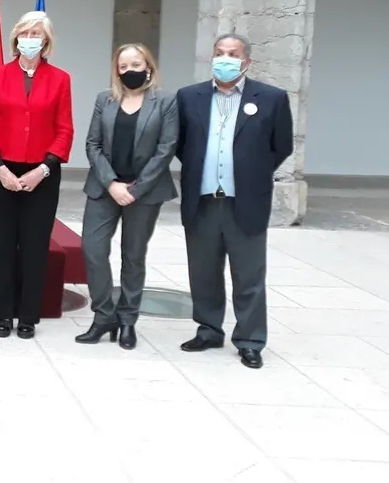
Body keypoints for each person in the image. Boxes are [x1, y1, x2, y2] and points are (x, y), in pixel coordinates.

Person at [176, 34, 293, 370]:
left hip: (245, 201)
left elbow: (281, 146)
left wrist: (251, 171)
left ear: (246, 61)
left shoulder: (271, 99)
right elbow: (182, 145)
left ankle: (250, 339)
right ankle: (209, 329)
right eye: (219, 53)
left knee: (249, 275)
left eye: (233, 54)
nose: (225, 59)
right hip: (203, 200)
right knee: (204, 272)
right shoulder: (190, 97)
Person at [0, 11, 73, 339]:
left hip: (42, 173)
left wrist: (44, 169)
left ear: (46, 41)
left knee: (34, 246)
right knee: (2, 244)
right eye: (25, 33)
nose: (30, 39)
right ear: (15, 37)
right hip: (1, 171)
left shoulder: (60, 79)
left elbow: (65, 129)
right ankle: (2, 313)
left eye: (37, 34)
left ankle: (28, 315)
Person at [77, 43, 178, 350]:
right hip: (104, 188)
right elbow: (92, 145)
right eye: (123, 67)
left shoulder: (166, 101)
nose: (129, 71)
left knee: (133, 256)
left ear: (148, 67)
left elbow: (166, 148)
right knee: (92, 250)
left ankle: (127, 321)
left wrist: (135, 188)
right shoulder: (104, 100)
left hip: (144, 193)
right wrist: (112, 184)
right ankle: (103, 315)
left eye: (136, 64)